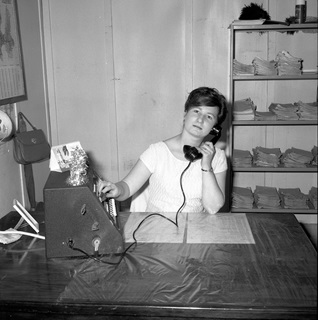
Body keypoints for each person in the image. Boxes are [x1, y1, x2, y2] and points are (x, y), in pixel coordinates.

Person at [98, 87, 228, 214]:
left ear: (214, 129)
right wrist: (116, 190)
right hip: (156, 228)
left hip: (194, 229)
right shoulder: (157, 152)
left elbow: (213, 208)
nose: (200, 120)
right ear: (185, 114)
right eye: (196, 111)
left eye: (209, 117)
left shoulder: (217, 157)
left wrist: (206, 167)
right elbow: (126, 187)